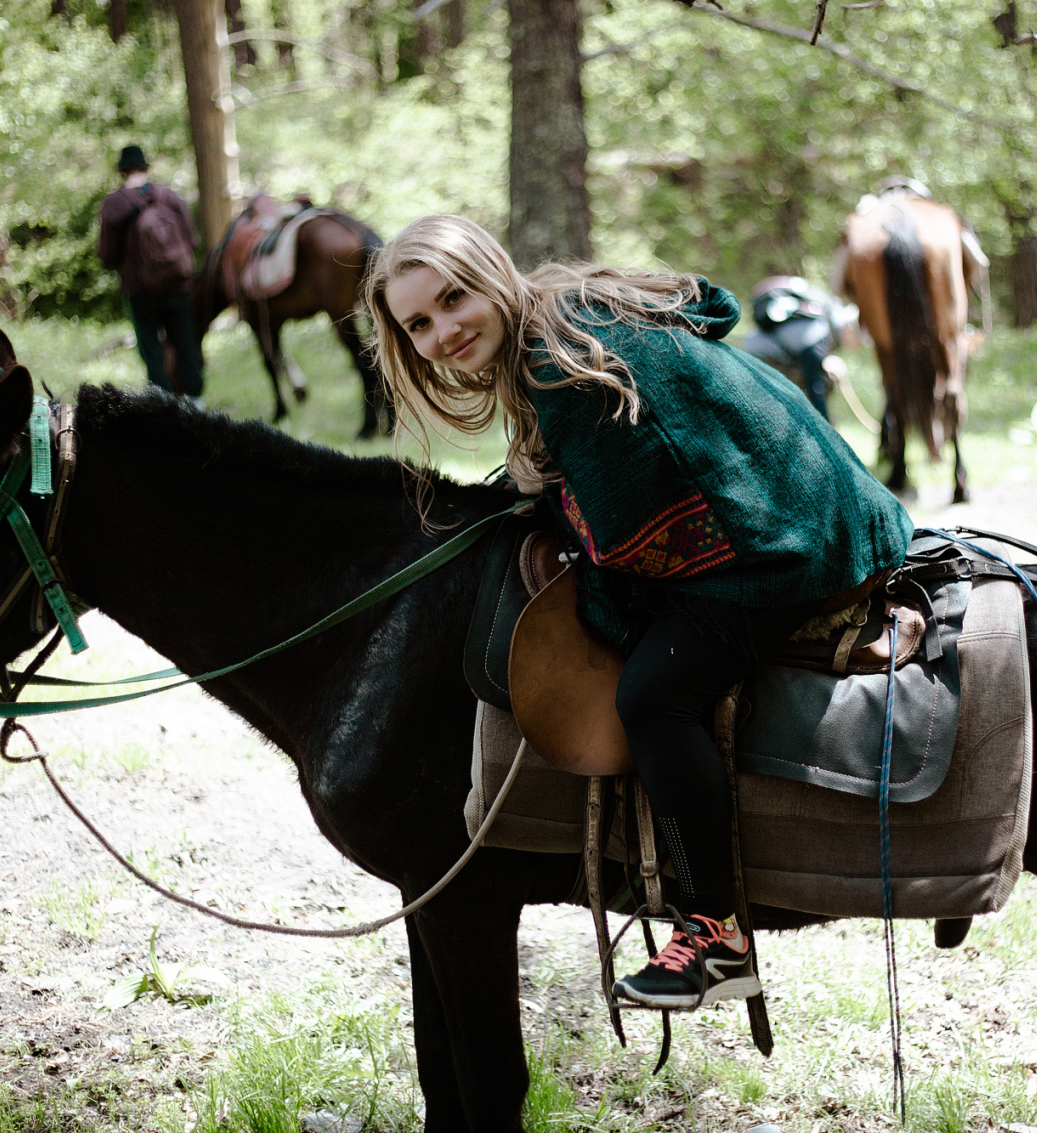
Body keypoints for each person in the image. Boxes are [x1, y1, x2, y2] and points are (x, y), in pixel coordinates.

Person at [365, 216, 911, 1011]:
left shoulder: (560, 368)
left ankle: (715, 934)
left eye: (456, 298)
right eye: (419, 322)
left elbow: (621, 565)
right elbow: (712, 306)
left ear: (492, 276)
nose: (444, 329)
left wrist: (609, 612)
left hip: (793, 537)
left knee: (655, 694)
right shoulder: (561, 313)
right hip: (806, 495)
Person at [98, 145, 205, 401]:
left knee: (151, 351)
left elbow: (107, 255)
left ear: (123, 171)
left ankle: (163, 404)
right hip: (177, 287)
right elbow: (192, 241)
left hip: (139, 291)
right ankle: (195, 401)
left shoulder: (114, 203)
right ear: (145, 167)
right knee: (185, 344)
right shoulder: (169, 196)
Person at [740, 275, 853, 420]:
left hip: (760, 352)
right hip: (763, 360)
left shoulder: (815, 327)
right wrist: (825, 425)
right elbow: (816, 389)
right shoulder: (816, 335)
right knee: (823, 381)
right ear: (847, 327)